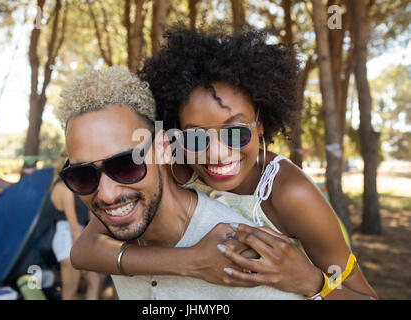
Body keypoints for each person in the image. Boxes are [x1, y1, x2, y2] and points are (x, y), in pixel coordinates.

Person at [67, 27, 377, 299]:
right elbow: (84, 250)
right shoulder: (173, 166)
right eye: (196, 138)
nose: (216, 153)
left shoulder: (288, 193)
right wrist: (189, 262)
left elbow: (364, 295)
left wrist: (310, 281)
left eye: (236, 133)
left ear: (261, 124)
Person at [56, 65, 307, 299]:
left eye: (126, 165)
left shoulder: (240, 254)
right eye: (82, 175)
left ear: (164, 148)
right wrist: (189, 261)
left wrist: (316, 283)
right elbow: (82, 252)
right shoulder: (119, 233)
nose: (107, 195)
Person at [49, 158, 105, 300]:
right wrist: (83, 253)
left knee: (95, 280)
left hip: (77, 237)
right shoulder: (63, 188)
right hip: (69, 239)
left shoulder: (74, 188)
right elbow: (73, 226)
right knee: (69, 293)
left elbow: (90, 218)